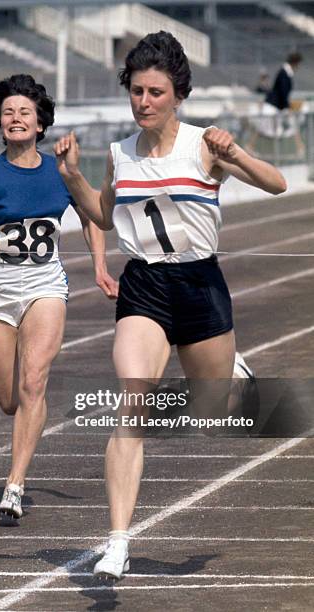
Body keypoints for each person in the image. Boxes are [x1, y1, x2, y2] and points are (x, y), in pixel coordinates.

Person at [54, 31, 287, 578]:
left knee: (215, 410)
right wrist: (72, 179)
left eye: (155, 92)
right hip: (145, 287)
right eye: (136, 91)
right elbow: (105, 215)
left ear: (177, 94)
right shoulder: (119, 154)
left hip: (200, 284)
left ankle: (234, 370)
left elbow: (275, 184)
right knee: (131, 405)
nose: (143, 102)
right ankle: (117, 541)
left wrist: (237, 156)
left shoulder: (205, 143)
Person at [0, 74, 117, 521]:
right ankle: (29, 413)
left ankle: (14, 485)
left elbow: (94, 216)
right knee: (9, 399)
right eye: (8, 112)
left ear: (40, 124)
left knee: (34, 378)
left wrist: (99, 266)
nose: (15, 119)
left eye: (24, 112)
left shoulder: (60, 174)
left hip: (45, 284)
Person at [247, 52, 304, 155]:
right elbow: (283, 92)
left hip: (278, 106)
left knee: (291, 125)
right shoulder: (284, 73)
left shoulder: (286, 72)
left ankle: (300, 149)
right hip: (273, 106)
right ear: (295, 63)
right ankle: (250, 147)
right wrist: (287, 108)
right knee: (262, 127)